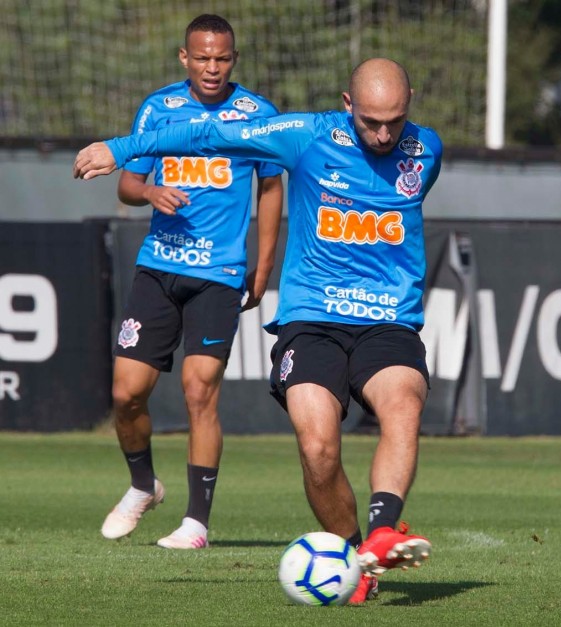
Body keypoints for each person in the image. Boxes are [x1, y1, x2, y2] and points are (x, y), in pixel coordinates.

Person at [74, 57, 440, 604]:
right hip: (311, 319)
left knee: (402, 404)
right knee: (318, 447)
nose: (384, 134)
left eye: (394, 120)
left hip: (387, 320)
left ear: (409, 103)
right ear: (346, 105)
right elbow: (208, 130)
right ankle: (356, 554)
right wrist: (120, 149)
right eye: (370, 122)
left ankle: (385, 527)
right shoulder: (304, 136)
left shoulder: (426, 150)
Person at [98, 14, 284, 550]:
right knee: (126, 394)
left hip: (219, 276)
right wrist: (151, 194)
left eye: (222, 59)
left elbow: (271, 189)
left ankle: (196, 523)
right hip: (159, 268)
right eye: (202, 58)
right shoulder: (158, 108)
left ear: (234, 59)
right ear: (185, 58)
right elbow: (129, 185)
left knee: (200, 390)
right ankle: (142, 487)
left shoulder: (256, 116)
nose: (212, 68)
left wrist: (263, 266)